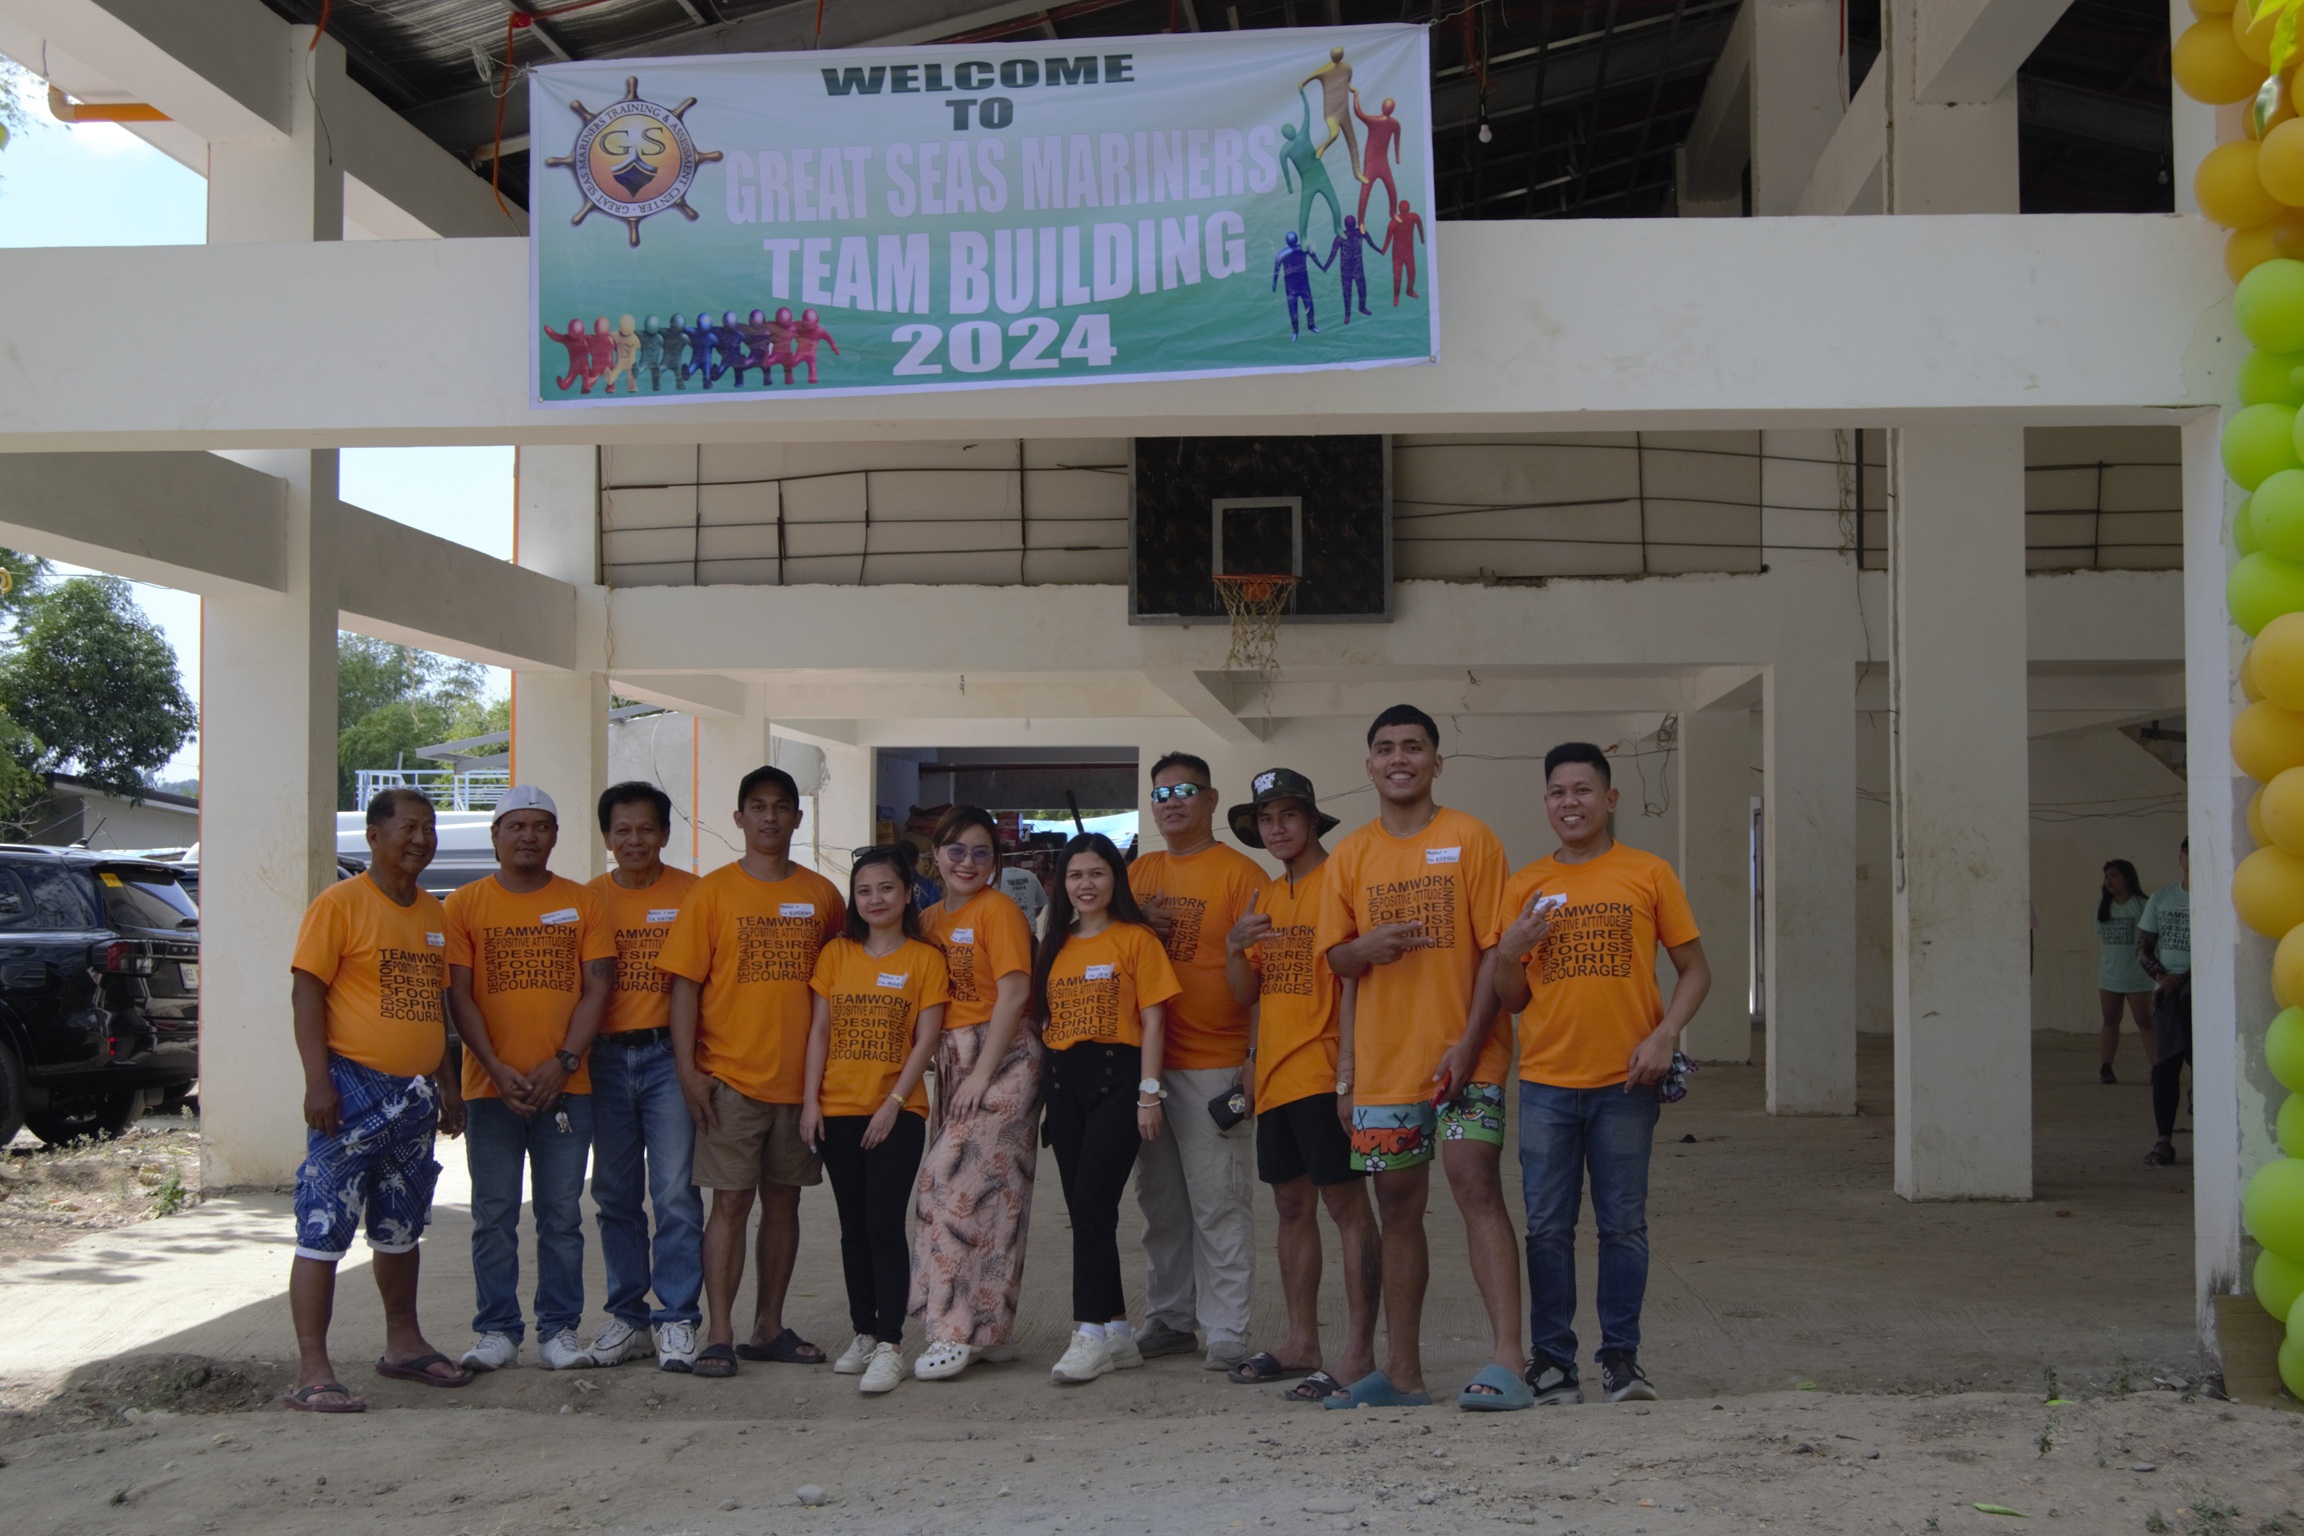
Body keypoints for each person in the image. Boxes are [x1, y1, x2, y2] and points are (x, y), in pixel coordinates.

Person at [1315, 705, 1526, 1411]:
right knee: (1397, 1207)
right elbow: (1336, 959)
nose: (1398, 758)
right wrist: (1364, 950)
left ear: (1437, 761)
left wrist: (1470, 1041)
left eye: (1413, 746)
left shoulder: (1470, 838)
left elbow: (1496, 948)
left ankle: (1508, 1360)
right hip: (1384, 1069)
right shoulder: (1351, 855)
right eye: (1385, 748)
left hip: (1468, 1057)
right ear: (1369, 766)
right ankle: (1402, 1373)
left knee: (1476, 1184)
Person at [1492, 743, 1711, 1406]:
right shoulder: (1524, 886)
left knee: (1623, 1225)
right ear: (1546, 803)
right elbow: (1511, 998)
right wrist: (1508, 953)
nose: (1571, 803)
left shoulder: (1647, 874)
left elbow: (1695, 970)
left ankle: (1621, 1359)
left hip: (1627, 1083)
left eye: (1583, 790)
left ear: (1609, 800)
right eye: (1558, 792)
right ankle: (1553, 1362)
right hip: (1546, 1083)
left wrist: (1665, 1035)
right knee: (1546, 1228)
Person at [284, 788, 471, 1411]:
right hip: (349, 1093)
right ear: (373, 835)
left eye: (429, 827)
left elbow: (433, 1005)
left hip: (414, 1100)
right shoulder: (339, 905)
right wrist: (317, 1081)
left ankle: (404, 1345)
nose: (421, 839)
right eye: (408, 827)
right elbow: (306, 994)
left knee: (400, 1227)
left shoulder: (434, 914)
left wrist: (448, 1083)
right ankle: (313, 1369)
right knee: (323, 1226)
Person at [659, 766, 846, 1377]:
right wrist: (687, 1070)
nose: (770, 817)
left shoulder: (823, 896)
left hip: (802, 1085)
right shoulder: (711, 893)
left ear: (797, 818)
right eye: (758, 807)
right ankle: (719, 1333)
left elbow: (843, 981)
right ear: (739, 818)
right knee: (731, 1203)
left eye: (781, 806)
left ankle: (769, 1327)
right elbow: (684, 987)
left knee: (784, 1203)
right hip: (730, 1079)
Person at [1220, 768, 1380, 1403]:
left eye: (1288, 814)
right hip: (1276, 1076)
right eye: (1266, 818)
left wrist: (1349, 1076)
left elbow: (1360, 981)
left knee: (1347, 1207)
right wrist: (1234, 949)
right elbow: (1249, 994)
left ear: (1313, 820)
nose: (1277, 827)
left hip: (1324, 1069)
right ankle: (1301, 1342)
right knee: (1290, 1207)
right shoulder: (1267, 895)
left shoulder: (1341, 881)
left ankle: (1359, 1352)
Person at [445, 785, 616, 1372]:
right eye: (516, 826)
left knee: (561, 1216)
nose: (528, 836)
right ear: (495, 835)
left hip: (568, 1089)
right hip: (490, 1090)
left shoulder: (583, 903)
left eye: (540, 826)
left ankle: (559, 1329)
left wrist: (563, 1062)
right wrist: (495, 1068)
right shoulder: (463, 905)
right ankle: (496, 1329)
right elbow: (458, 996)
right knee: (493, 1215)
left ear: (555, 836)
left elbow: (597, 988)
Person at [1128, 752, 1270, 1371]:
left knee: (1220, 1202)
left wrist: (1253, 1060)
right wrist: (1136, 923)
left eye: (1185, 790)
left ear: (1211, 800)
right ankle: (1169, 1318)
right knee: (1161, 1205)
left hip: (1216, 1066)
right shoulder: (1138, 874)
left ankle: (1226, 1328)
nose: (1173, 802)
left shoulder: (1241, 875)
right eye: (1161, 794)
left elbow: (1264, 980)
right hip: (1150, 1069)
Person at [802, 847, 949, 1395]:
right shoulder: (836, 954)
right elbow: (819, 1031)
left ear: (908, 894)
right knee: (853, 1228)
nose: (875, 899)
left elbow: (927, 1039)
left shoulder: (925, 959)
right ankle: (863, 1332)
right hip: (836, 1110)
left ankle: (890, 1344)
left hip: (896, 1112)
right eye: (864, 890)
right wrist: (810, 1102)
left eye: (886, 888)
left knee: (885, 1225)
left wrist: (894, 1102)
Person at [1038, 833, 1182, 1384]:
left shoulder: (1136, 939)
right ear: (1061, 883)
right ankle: (1118, 1329)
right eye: (1075, 875)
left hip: (1117, 1082)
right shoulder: (1055, 943)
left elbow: (1154, 1020)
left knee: (1093, 1204)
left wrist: (1149, 1093)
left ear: (1115, 880)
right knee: (1086, 1210)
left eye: (1097, 873)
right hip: (1063, 1083)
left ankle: (1089, 1331)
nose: (1086, 884)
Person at [911, 806, 1043, 1380]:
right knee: (996, 1197)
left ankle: (954, 1330)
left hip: (1002, 1058)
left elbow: (1014, 993)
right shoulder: (928, 919)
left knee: (946, 1188)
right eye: (956, 850)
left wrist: (982, 1075)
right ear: (936, 855)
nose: (968, 862)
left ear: (996, 861)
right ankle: (989, 1328)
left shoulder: (1000, 910)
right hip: (954, 1059)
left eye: (981, 852)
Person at [583, 781, 704, 1372]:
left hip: (669, 1059)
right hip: (604, 1061)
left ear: (665, 834)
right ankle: (628, 1317)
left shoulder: (694, 894)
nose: (635, 840)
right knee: (614, 1193)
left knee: (675, 1192)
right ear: (607, 837)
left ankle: (677, 1318)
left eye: (646, 829)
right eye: (622, 830)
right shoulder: (588, 900)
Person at [2141, 837, 2193, 1168]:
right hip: (2167, 992)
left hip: (2200, 989)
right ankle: (2164, 1140)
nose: (2193, 857)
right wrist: (2162, 977)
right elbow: (2143, 948)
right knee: (2165, 1066)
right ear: (2180, 857)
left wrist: (2183, 978)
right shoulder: (2162, 897)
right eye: (2189, 851)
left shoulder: (2218, 897)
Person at [2095, 859, 2157, 1084]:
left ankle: (2157, 1068)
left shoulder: (2143, 905)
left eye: (2114, 875)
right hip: (2109, 976)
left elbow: (2152, 938)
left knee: (2145, 1021)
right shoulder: (2102, 906)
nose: (2108, 880)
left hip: (2137, 976)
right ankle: (2106, 1067)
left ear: (2127, 878)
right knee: (2110, 1020)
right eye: (2106, 877)